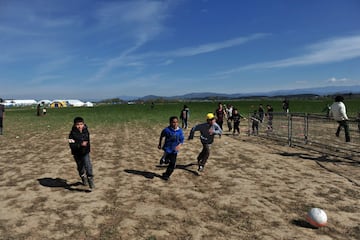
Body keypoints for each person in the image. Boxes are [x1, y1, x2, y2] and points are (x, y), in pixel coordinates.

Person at [68, 117, 95, 190]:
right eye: (77, 124)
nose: (80, 126)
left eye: (81, 124)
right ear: (74, 125)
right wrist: (80, 145)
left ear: (84, 124)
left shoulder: (86, 131)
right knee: (80, 168)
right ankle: (83, 176)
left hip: (85, 153)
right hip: (77, 154)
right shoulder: (71, 134)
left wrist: (85, 145)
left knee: (88, 166)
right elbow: (71, 145)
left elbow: (87, 140)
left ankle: (90, 180)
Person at [158, 116, 184, 180]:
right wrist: (160, 144)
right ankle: (164, 158)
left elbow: (182, 140)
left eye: (176, 122)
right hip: (167, 149)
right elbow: (162, 136)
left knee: (172, 164)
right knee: (167, 161)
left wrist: (179, 145)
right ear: (170, 123)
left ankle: (166, 175)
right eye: (173, 122)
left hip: (174, 150)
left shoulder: (180, 131)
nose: (175, 124)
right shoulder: (167, 130)